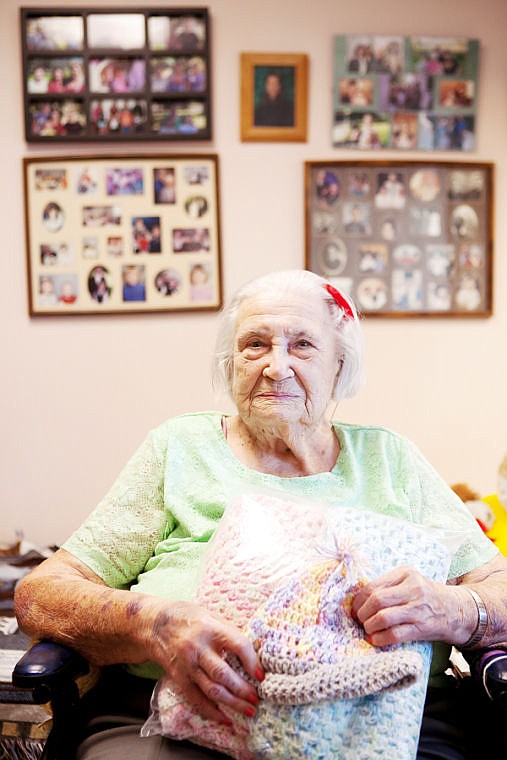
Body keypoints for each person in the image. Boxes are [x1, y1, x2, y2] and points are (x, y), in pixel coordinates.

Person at [14, 269, 507, 759]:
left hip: (381, 729)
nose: (276, 367)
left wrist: (453, 608)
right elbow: (41, 594)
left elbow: (498, 584)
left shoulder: (390, 459)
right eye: (255, 345)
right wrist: (154, 624)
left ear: (339, 365)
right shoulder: (181, 448)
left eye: (302, 346)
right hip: (178, 721)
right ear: (231, 366)